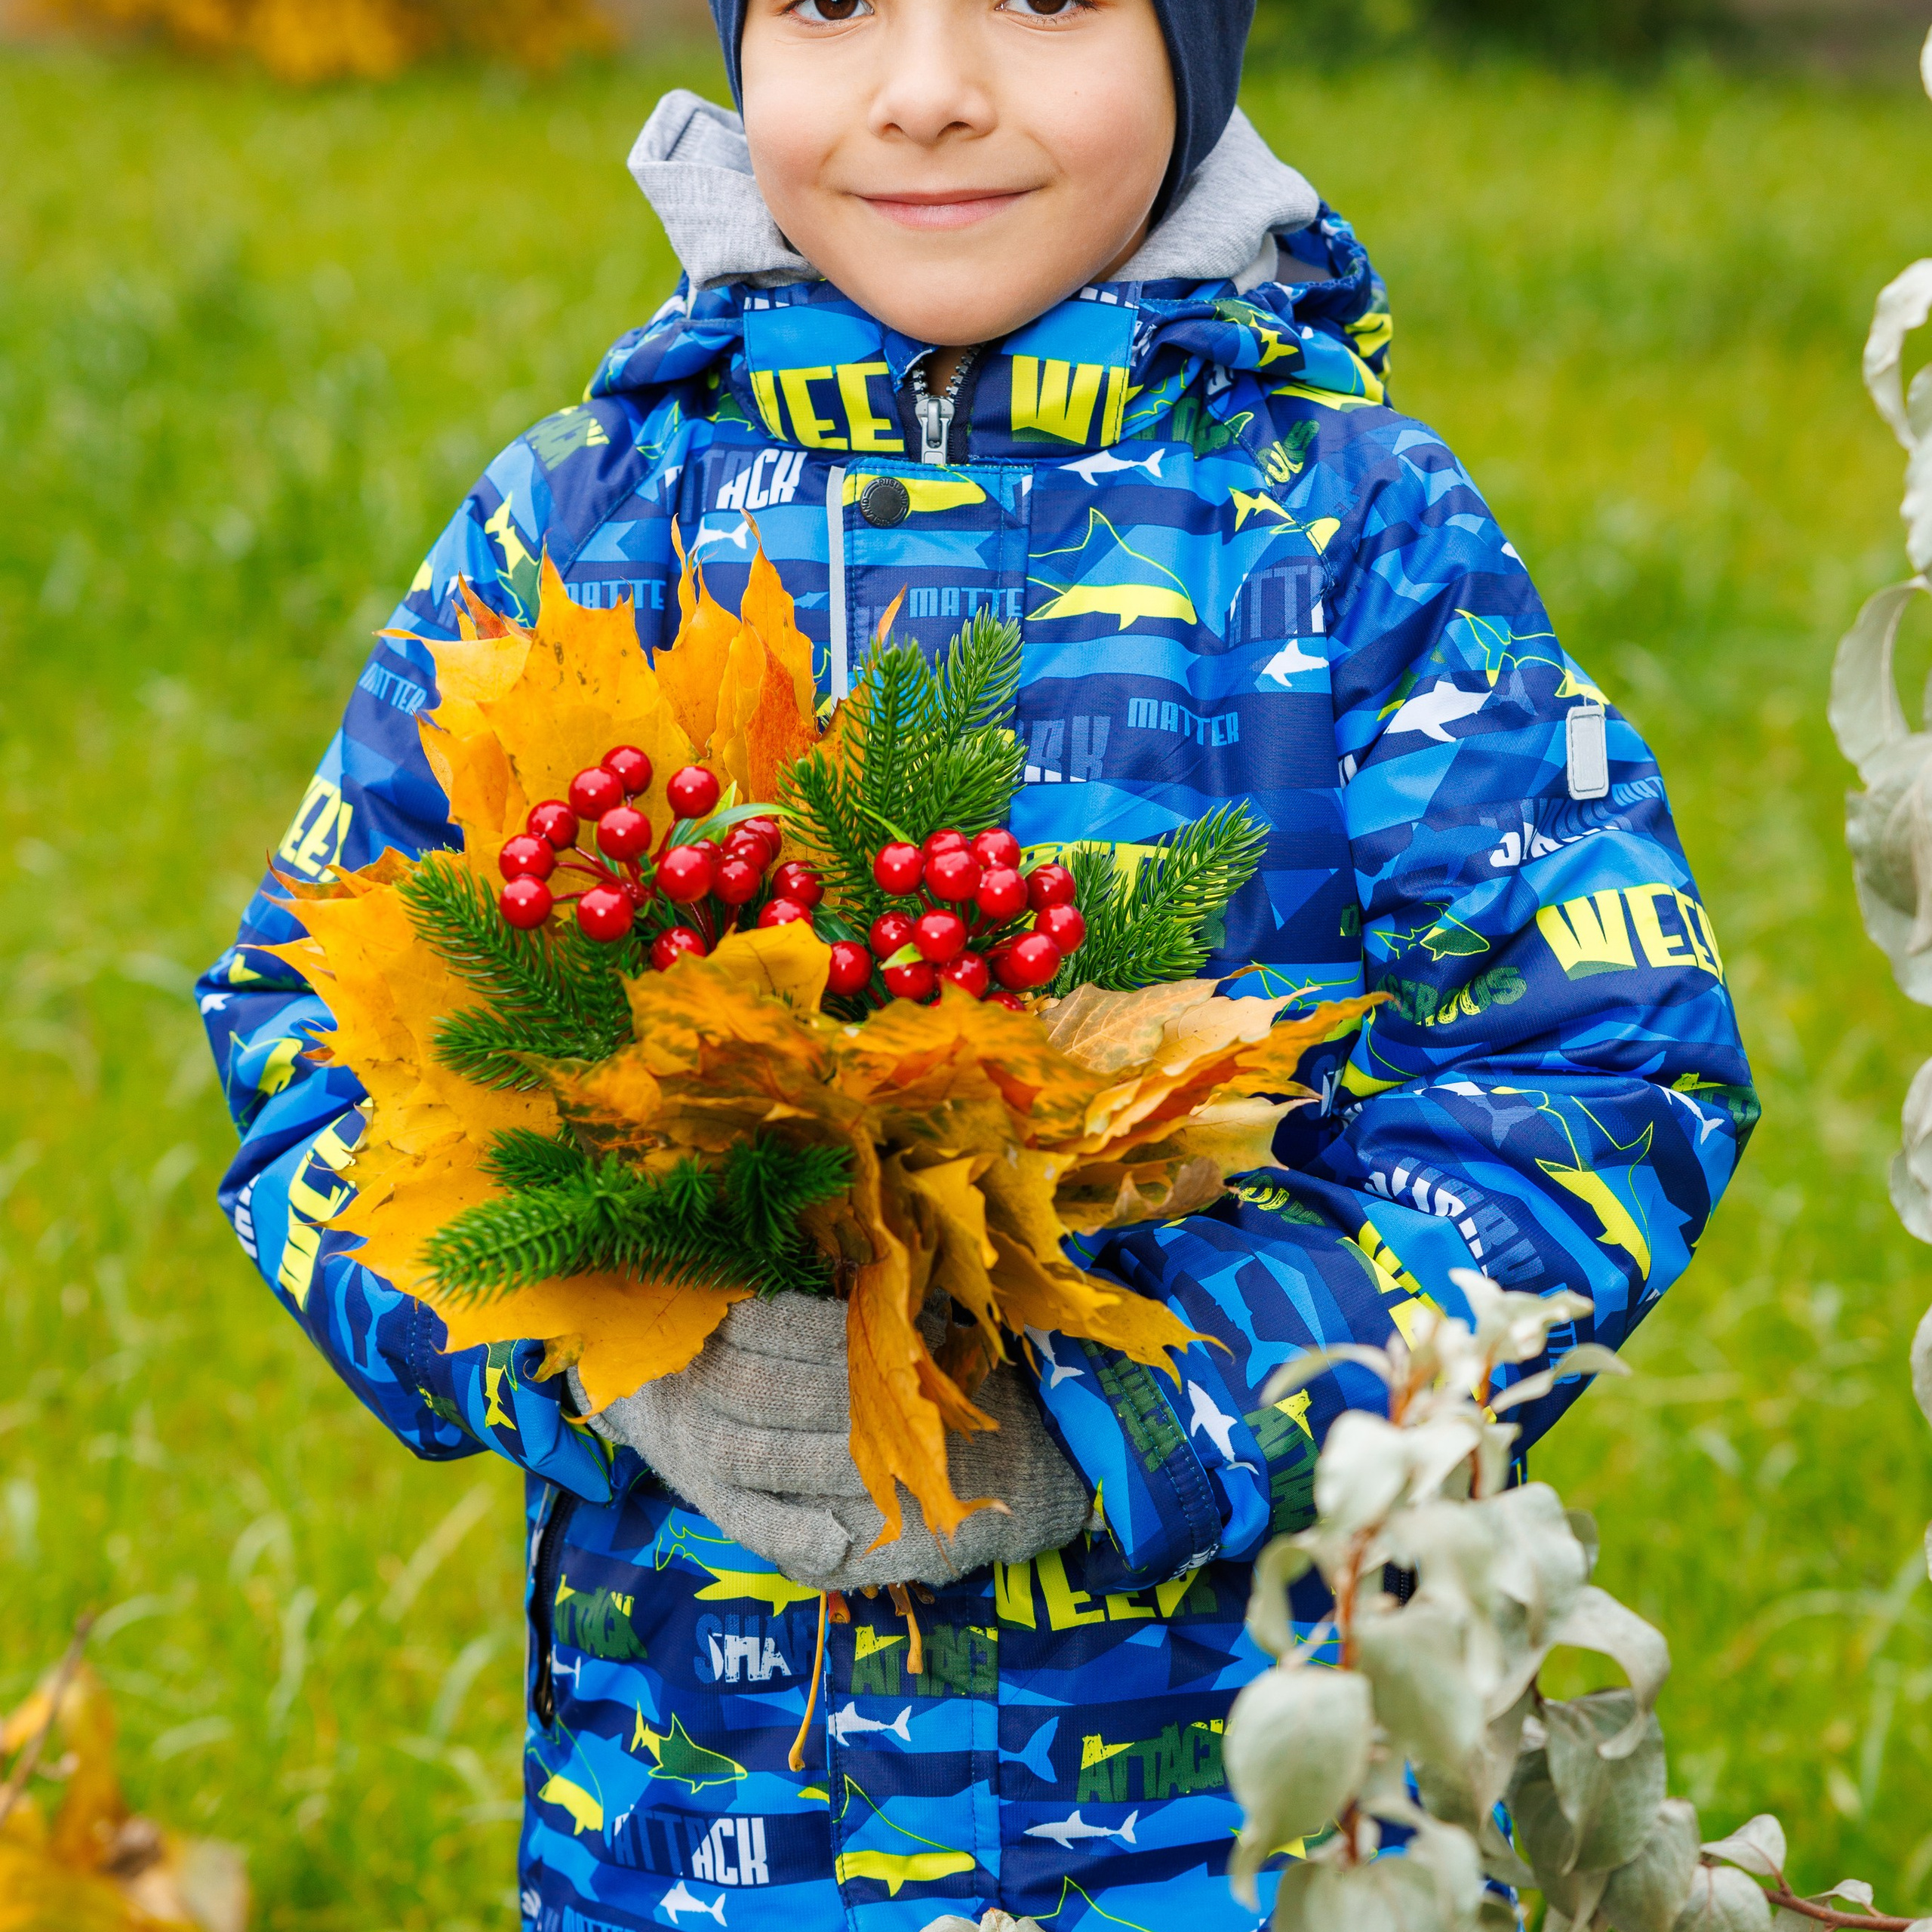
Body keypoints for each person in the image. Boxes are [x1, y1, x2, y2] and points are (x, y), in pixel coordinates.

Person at [196, 0, 1756, 1926]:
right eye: (833, 3)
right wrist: (607, 1356)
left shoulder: (1345, 532)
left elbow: (1598, 1077)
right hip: (685, 1835)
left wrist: (1116, 1416)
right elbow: (314, 1036)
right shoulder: (583, 523)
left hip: (1237, 1838)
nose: (926, 86)